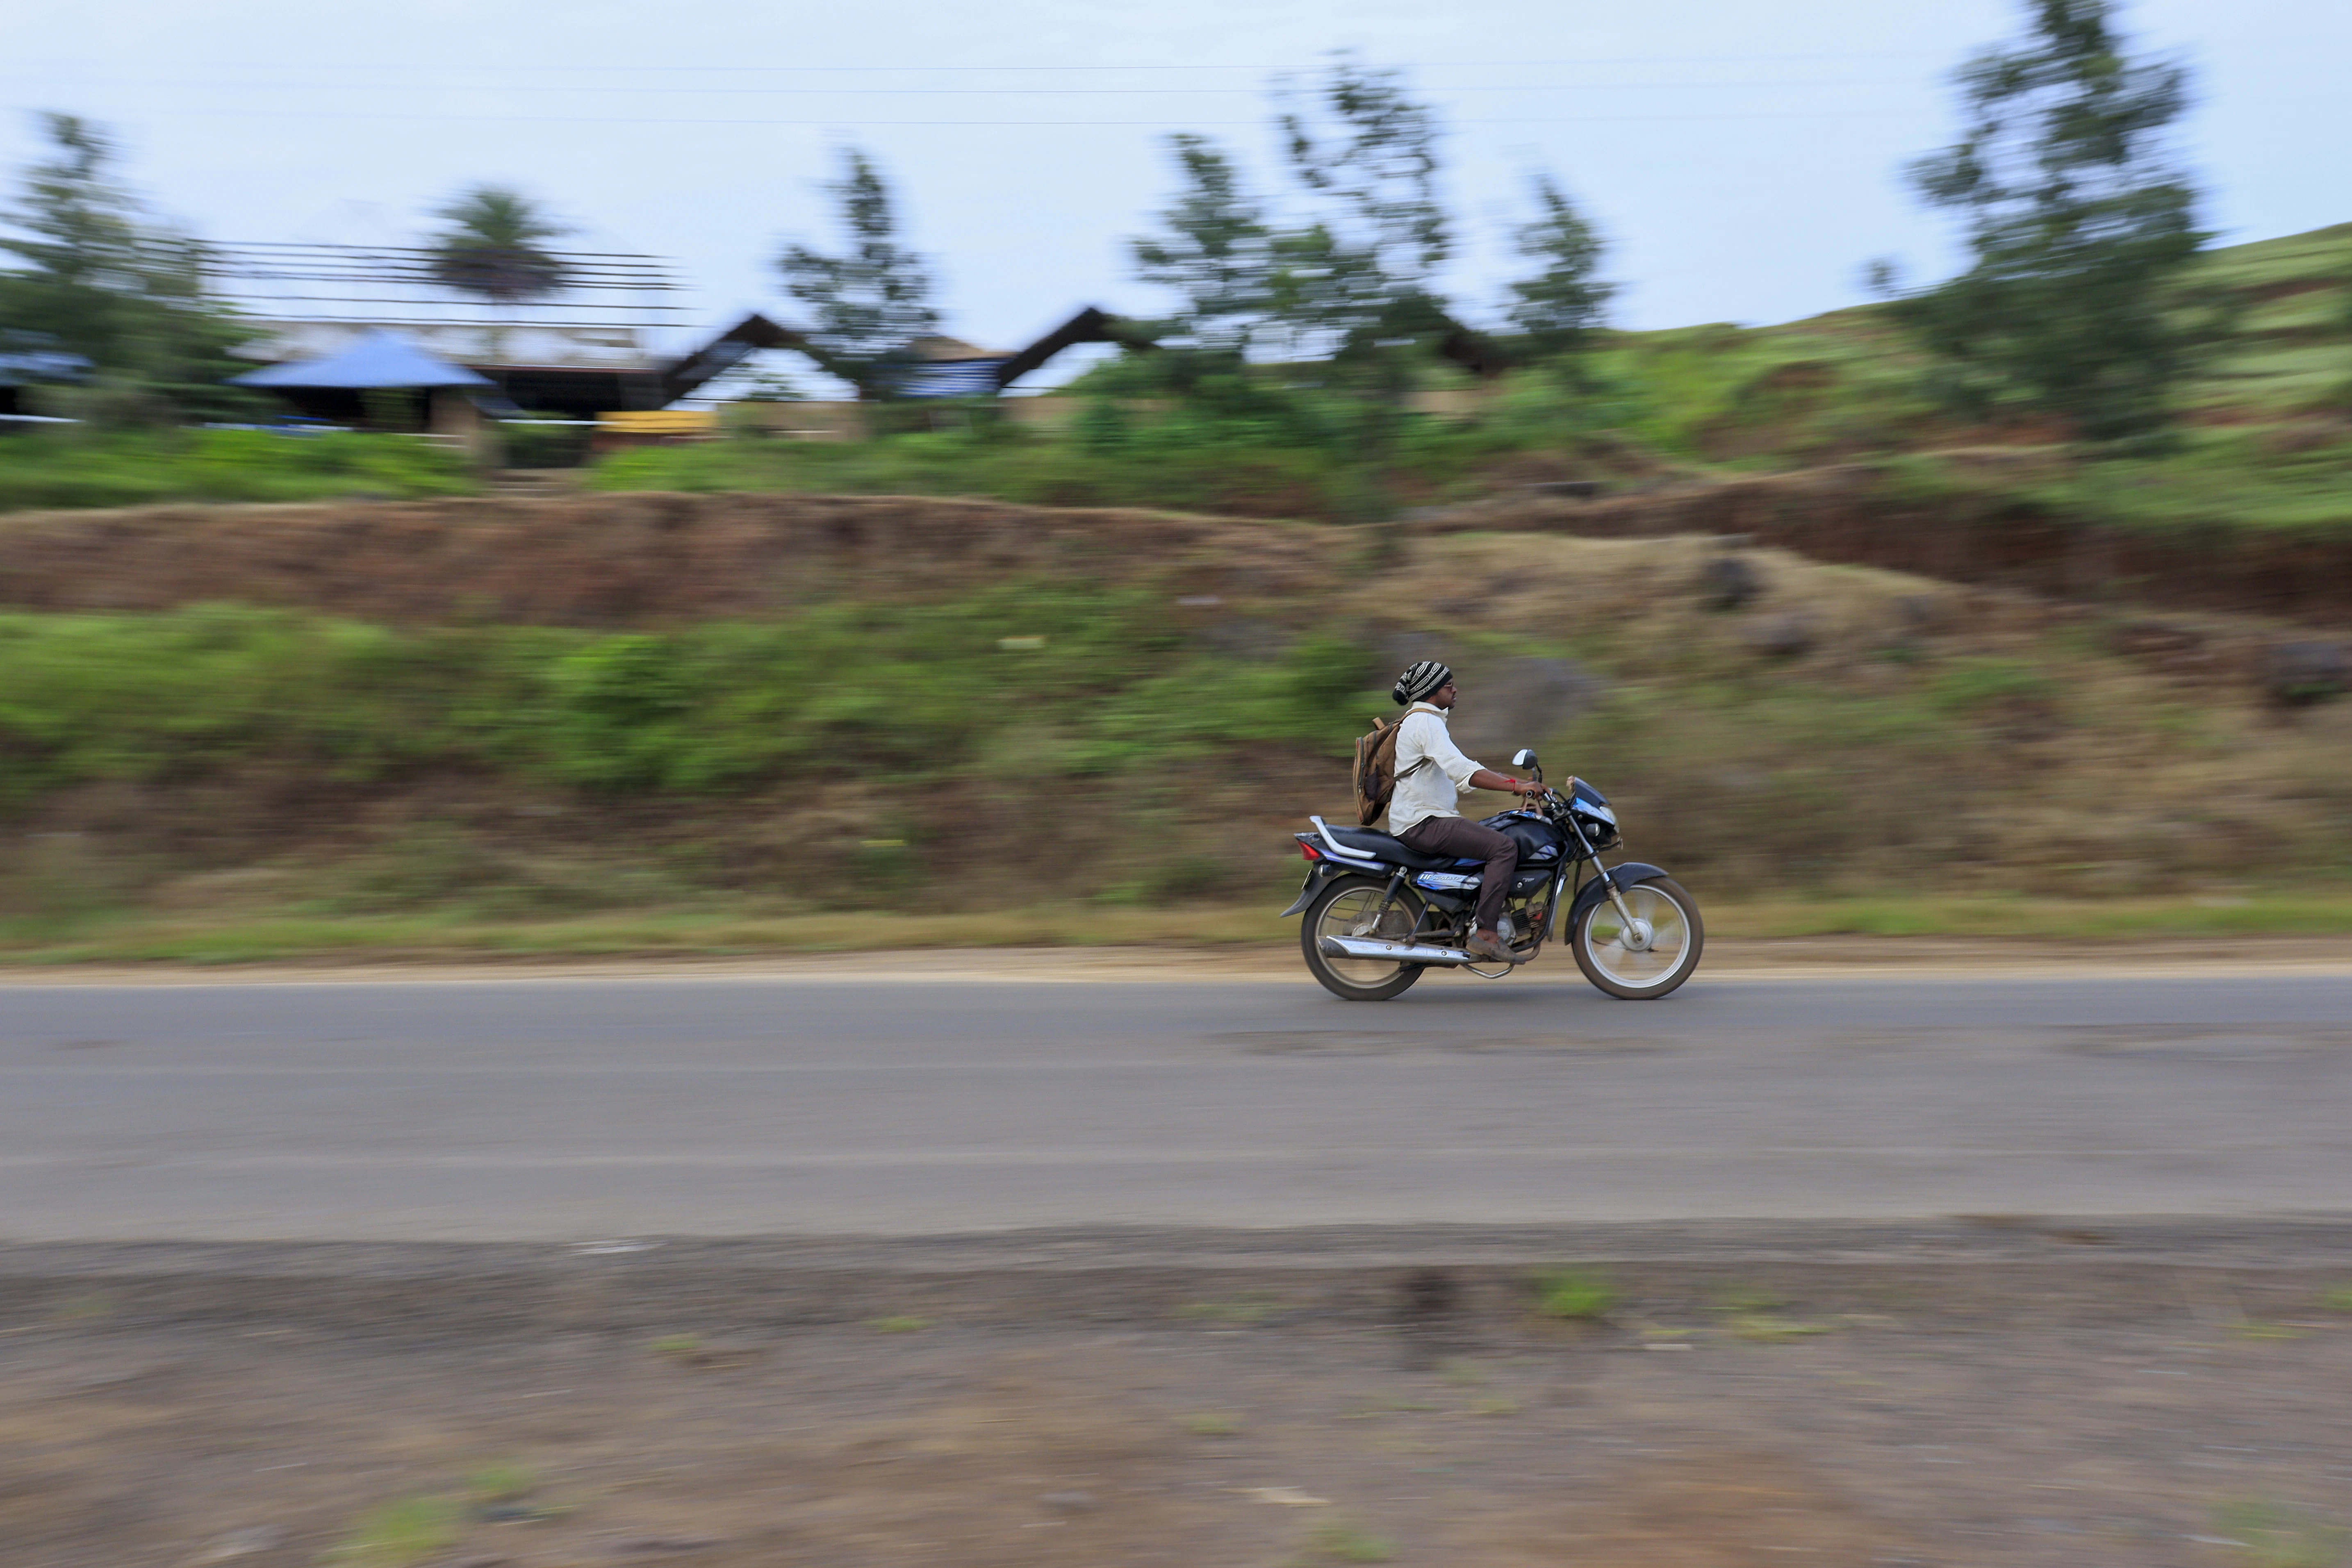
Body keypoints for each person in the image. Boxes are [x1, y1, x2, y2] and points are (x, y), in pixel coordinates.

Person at [1384, 660, 1546, 965]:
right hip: (1424, 821)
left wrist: (1517, 783)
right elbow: (1462, 771)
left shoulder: (1425, 721)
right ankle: (1485, 934)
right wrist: (1515, 786)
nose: (1455, 690)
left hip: (1427, 817)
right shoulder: (1425, 723)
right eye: (1449, 686)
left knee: (1496, 833)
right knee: (1503, 847)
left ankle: (1470, 914)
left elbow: (1465, 766)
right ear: (1431, 691)